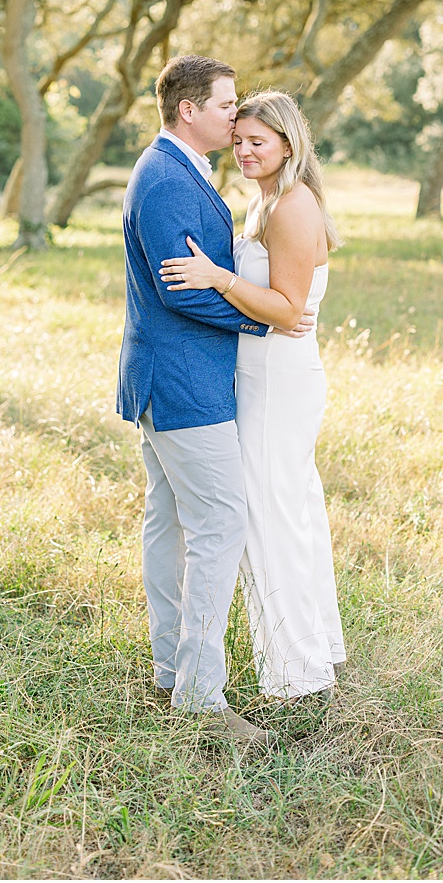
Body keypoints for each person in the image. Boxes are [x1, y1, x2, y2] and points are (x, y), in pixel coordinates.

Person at [117, 55, 314, 748]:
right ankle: (200, 699)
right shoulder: (168, 178)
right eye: (227, 105)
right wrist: (265, 318)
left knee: (171, 524)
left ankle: (173, 670)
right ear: (188, 110)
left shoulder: (179, 169)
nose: (236, 117)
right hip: (183, 385)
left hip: (172, 379)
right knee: (220, 524)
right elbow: (182, 288)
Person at [158, 90, 344, 702]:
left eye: (257, 142)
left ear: (289, 144)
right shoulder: (266, 202)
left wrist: (218, 277)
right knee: (282, 506)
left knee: (272, 513)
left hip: (279, 378)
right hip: (260, 373)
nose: (243, 151)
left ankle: (296, 671)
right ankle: (307, 649)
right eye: (238, 140)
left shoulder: (292, 207)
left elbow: (289, 311)